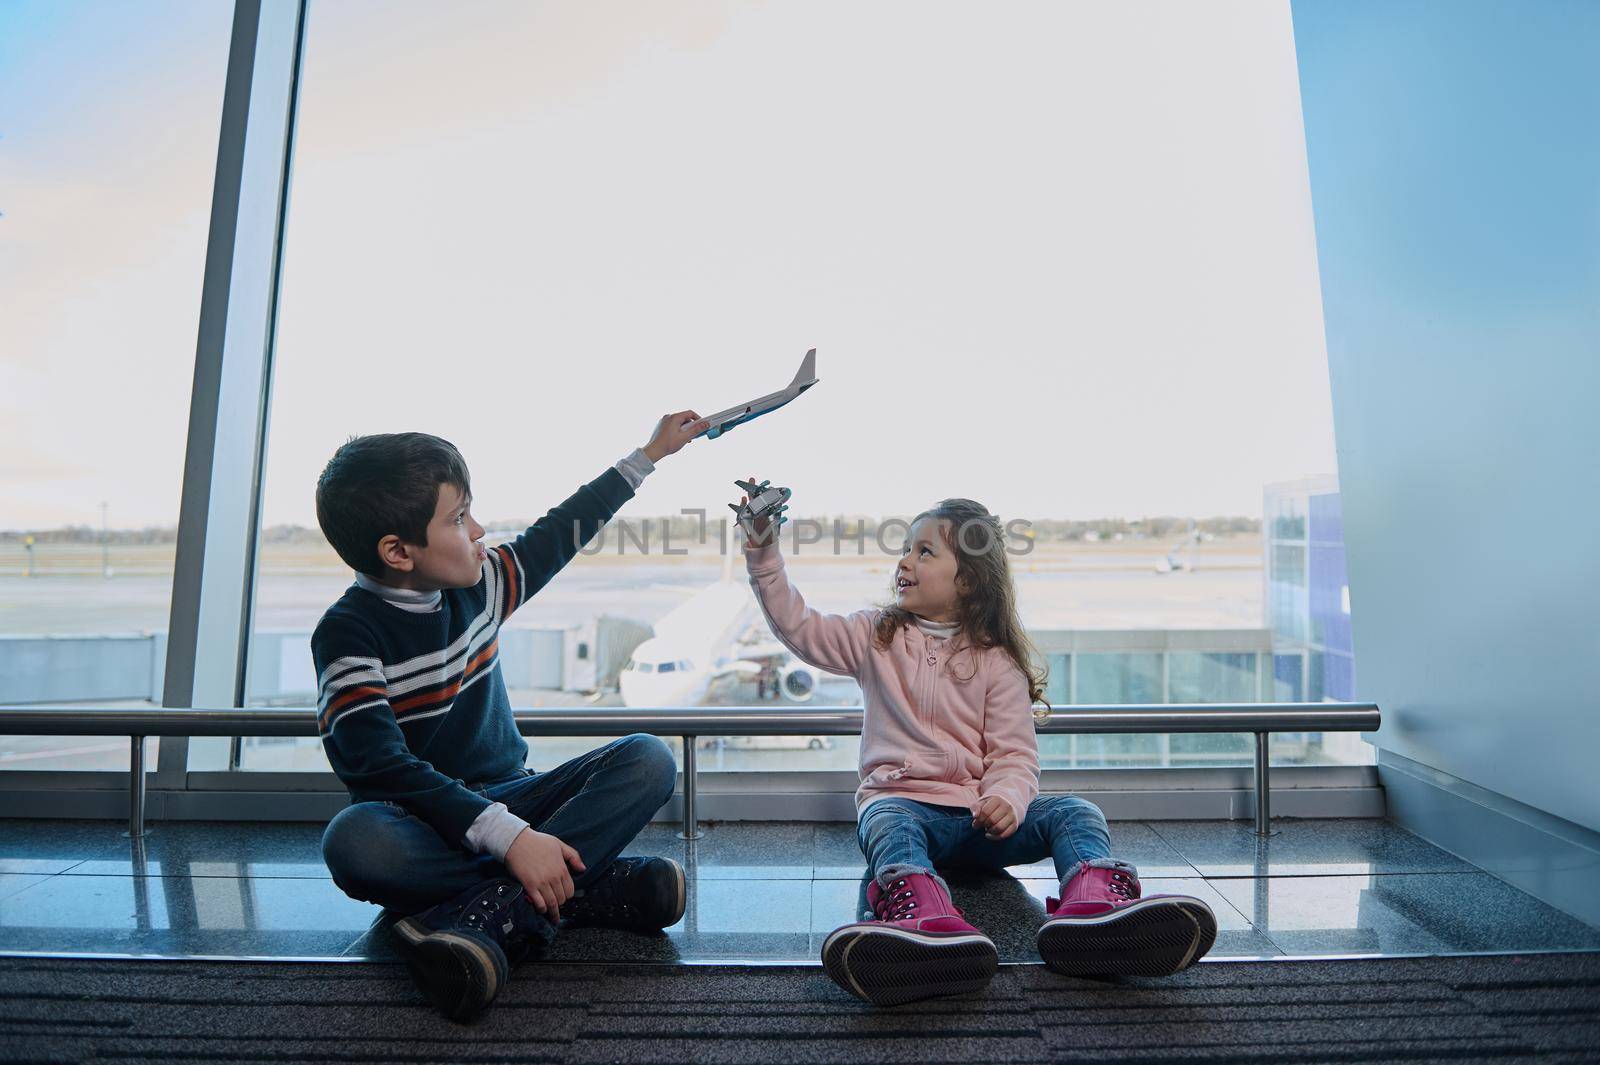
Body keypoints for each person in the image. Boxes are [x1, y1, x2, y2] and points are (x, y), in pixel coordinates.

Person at [740, 488, 1217, 1006]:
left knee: (1075, 811)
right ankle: (921, 919)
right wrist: (762, 549)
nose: (904, 561)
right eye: (905, 549)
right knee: (886, 822)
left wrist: (1007, 800)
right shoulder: (875, 636)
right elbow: (799, 626)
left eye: (924, 552)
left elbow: (1014, 754)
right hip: (905, 807)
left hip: (977, 820)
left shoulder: (996, 661)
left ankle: (1094, 908)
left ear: (966, 581)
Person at [312, 413, 707, 1021]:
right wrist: (511, 839)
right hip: (425, 821)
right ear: (397, 551)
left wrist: (649, 454)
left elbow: (559, 533)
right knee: (356, 842)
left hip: (518, 796)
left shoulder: (482, 585)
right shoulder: (348, 633)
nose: (479, 529)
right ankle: (585, 888)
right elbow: (377, 767)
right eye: (457, 518)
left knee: (648, 758)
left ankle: (496, 914)